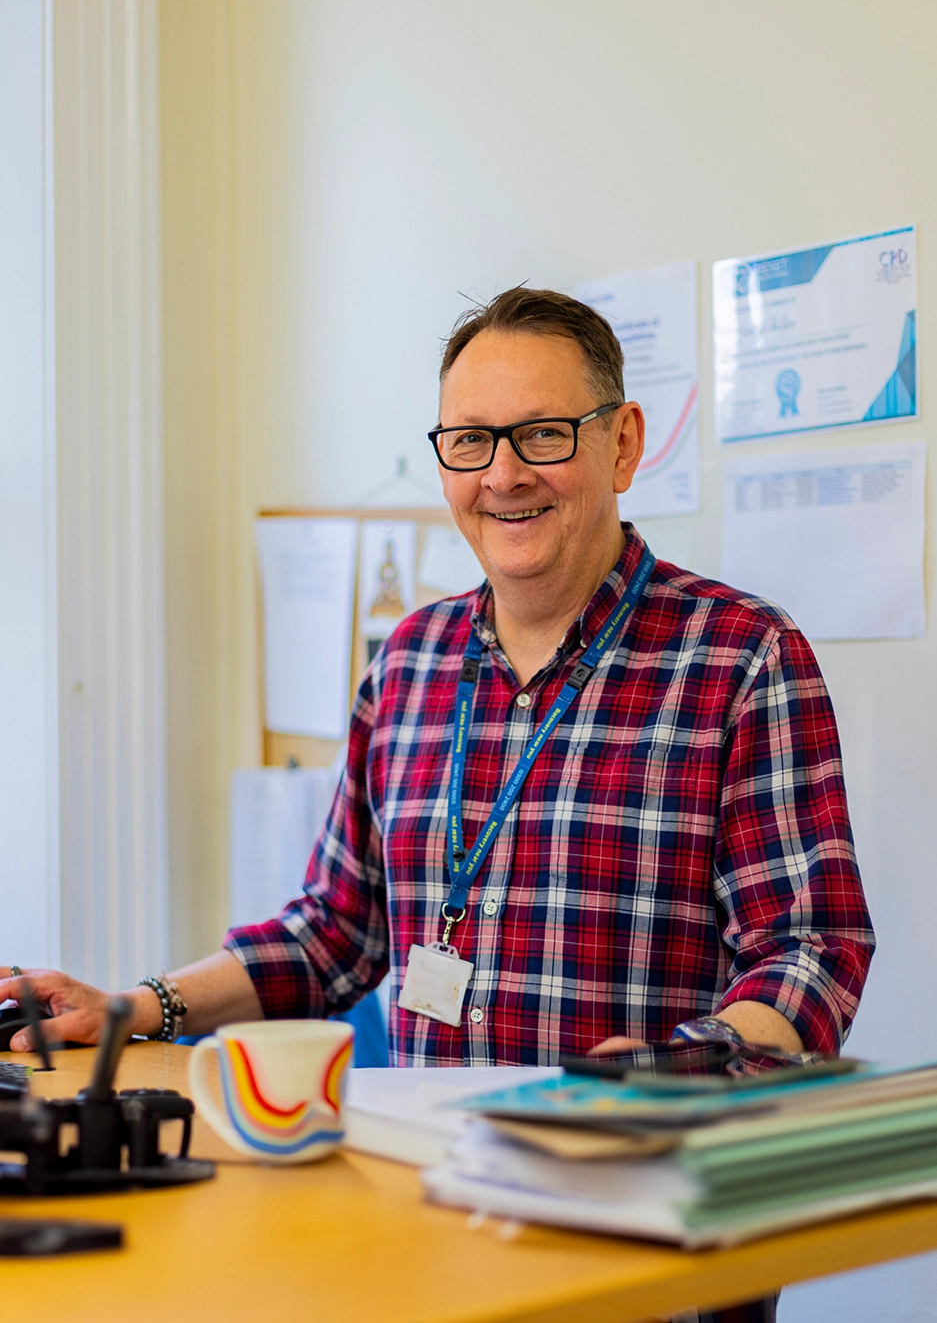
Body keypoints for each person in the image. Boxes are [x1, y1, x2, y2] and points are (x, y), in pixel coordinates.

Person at [1, 287, 874, 1069]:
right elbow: (333, 934)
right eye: (469, 441)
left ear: (622, 443)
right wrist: (132, 1008)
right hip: (430, 1186)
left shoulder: (739, 656)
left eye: (542, 433)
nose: (502, 475)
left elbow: (811, 948)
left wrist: (673, 1072)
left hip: (636, 1181)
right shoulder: (408, 660)